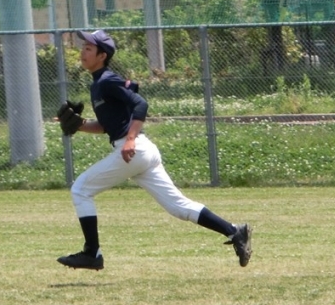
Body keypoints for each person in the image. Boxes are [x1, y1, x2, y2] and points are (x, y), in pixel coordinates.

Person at [56, 30, 252, 271]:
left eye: (88, 48)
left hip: (133, 149)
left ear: (102, 55)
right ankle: (235, 231)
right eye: (83, 47)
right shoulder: (98, 84)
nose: (82, 52)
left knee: (81, 189)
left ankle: (91, 253)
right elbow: (108, 126)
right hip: (141, 151)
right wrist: (80, 125)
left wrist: (130, 139)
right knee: (178, 206)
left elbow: (141, 104)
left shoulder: (106, 80)